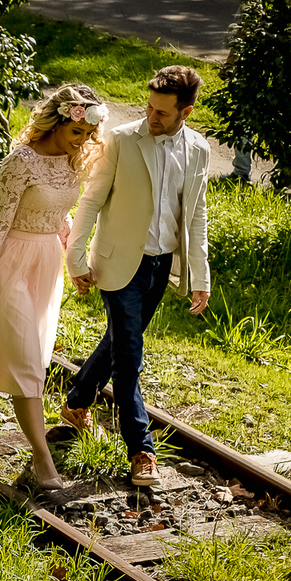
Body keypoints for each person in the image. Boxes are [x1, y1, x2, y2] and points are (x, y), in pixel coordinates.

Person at [0, 84, 108, 491]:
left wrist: (74, 260)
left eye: (88, 135)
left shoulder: (73, 162)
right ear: (56, 121)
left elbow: (60, 214)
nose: (82, 141)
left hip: (45, 264)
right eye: (77, 133)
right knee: (27, 363)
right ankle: (42, 459)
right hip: (8, 264)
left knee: (10, 356)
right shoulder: (20, 162)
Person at [60, 66, 212, 487]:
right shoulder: (122, 140)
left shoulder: (198, 149)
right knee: (130, 357)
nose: (152, 116)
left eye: (162, 112)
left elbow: (196, 215)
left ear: (186, 111)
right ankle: (140, 448)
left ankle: (76, 403)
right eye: (148, 106)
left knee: (118, 342)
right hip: (118, 263)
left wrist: (201, 276)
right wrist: (75, 258)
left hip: (161, 266)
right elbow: (91, 201)